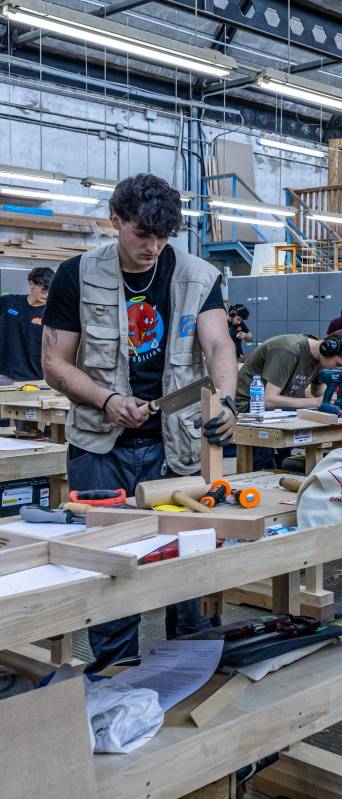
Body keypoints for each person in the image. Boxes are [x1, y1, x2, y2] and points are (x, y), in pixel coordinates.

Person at [41, 174, 238, 671]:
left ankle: (187, 674)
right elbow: (55, 363)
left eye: (163, 236)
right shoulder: (76, 274)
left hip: (175, 445)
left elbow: (218, 345)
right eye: (141, 235)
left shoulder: (197, 275)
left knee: (186, 569)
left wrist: (228, 403)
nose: (153, 247)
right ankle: (115, 677)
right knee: (108, 570)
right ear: (115, 221)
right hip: (99, 448)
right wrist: (107, 399)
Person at [234, 330, 342, 469]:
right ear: (328, 348)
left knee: (284, 460)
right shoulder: (288, 350)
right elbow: (269, 400)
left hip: (279, 411)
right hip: (250, 409)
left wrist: (336, 399)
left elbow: (317, 391)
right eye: (338, 365)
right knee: (265, 463)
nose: (336, 369)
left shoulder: (320, 359)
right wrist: (316, 402)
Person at [0, 266, 52, 380]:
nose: (47, 294)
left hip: (34, 378)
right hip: (4, 375)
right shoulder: (8, 302)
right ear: (31, 283)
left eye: (50, 290)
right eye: (44, 289)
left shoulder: (51, 314)